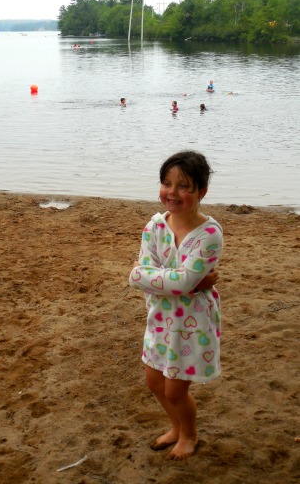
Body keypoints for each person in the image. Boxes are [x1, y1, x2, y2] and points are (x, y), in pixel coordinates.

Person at [129, 150, 223, 461]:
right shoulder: (155, 226)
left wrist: (174, 280)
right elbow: (139, 273)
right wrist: (189, 281)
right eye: (166, 183)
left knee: (175, 391)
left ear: (201, 192)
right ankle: (176, 427)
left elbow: (176, 281)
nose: (173, 193)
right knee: (154, 383)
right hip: (158, 318)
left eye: (184, 186)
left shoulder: (209, 234)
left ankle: (190, 435)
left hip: (192, 322)